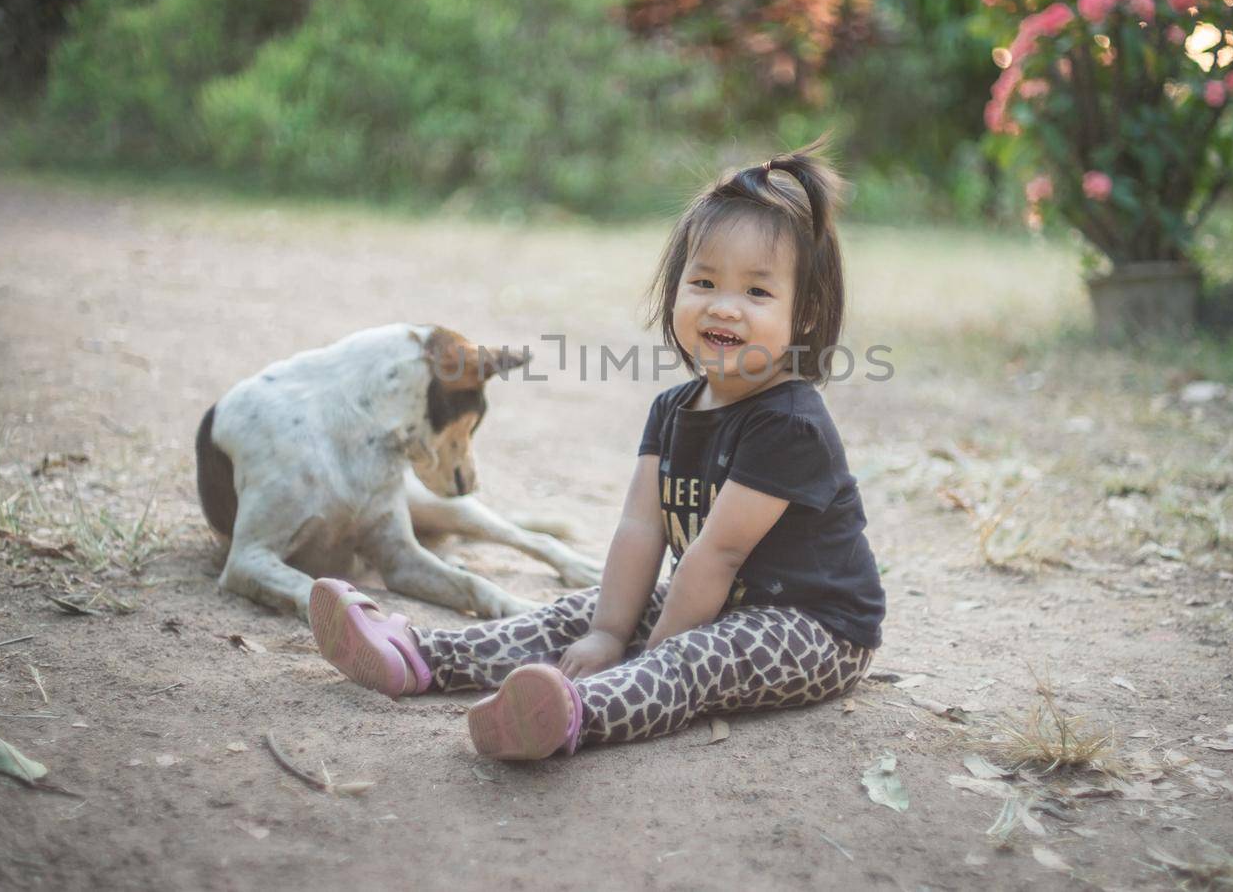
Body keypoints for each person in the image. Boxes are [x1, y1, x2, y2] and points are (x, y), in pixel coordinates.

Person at [307, 138, 886, 759]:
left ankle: (569, 712)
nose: (724, 305)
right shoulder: (673, 410)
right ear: (675, 291)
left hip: (814, 628)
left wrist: (645, 652)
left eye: (758, 293)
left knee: (689, 657)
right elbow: (641, 528)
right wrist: (609, 631)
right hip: (722, 599)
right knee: (578, 612)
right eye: (704, 281)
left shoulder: (789, 423)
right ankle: (418, 656)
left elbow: (715, 555)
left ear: (805, 315)